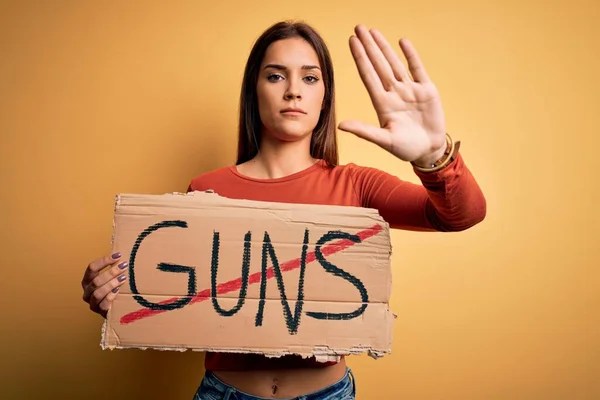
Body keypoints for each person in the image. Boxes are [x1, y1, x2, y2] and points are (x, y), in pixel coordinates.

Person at [81, 20, 486, 400]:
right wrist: (120, 293)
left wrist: (435, 156)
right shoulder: (207, 189)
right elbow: (179, 298)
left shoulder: (357, 185)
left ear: (323, 95)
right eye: (276, 76)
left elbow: (459, 215)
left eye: (310, 78)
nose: (293, 90)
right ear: (254, 89)